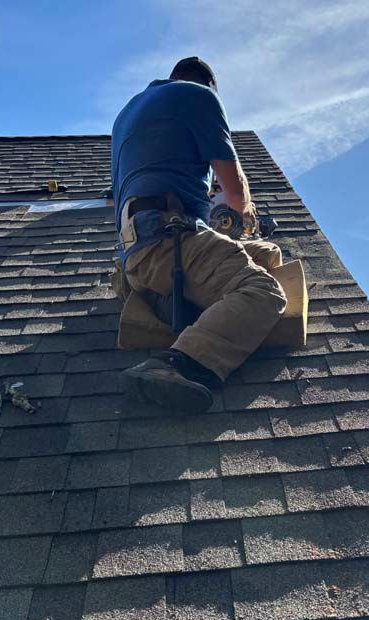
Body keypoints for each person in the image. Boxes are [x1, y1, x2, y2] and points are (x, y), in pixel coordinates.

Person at [110, 56, 286, 413]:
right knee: (263, 291)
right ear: (210, 87)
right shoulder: (198, 95)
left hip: (137, 253)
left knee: (265, 256)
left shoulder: (129, 112)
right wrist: (245, 217)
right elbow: (234, 193)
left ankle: (176, 305)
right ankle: (175, 363)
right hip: (168, 237)